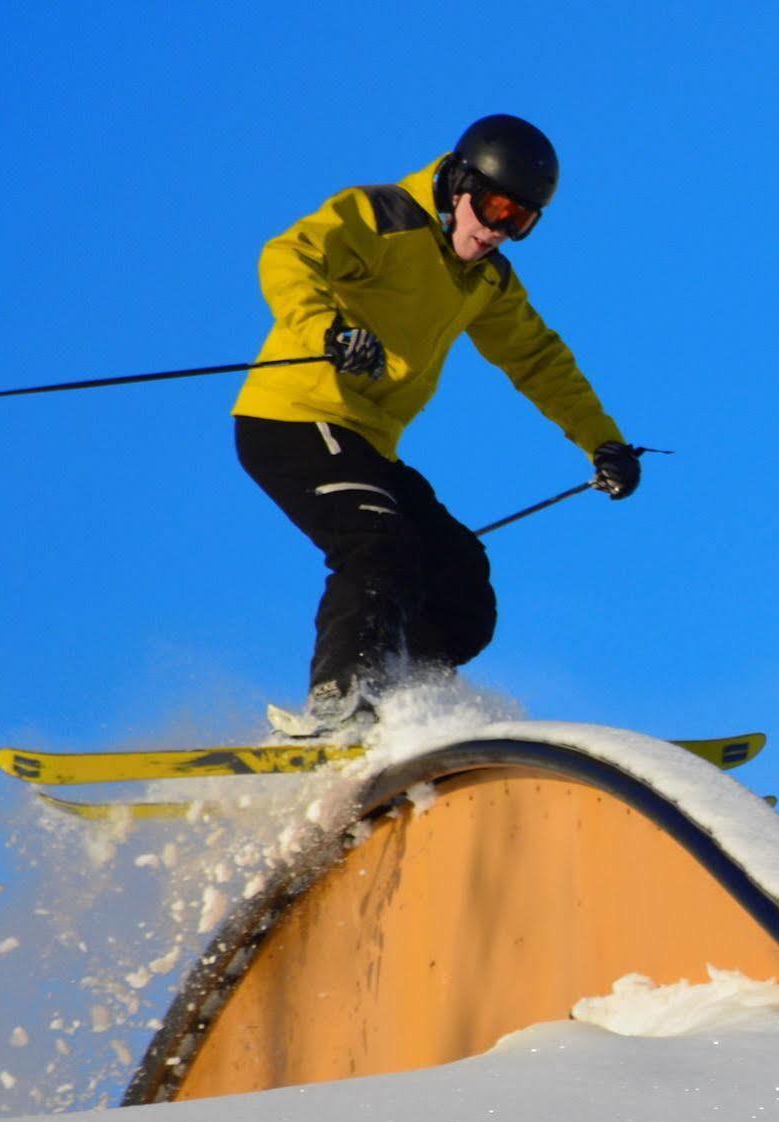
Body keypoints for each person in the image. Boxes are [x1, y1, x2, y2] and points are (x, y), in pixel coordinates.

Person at [232, 114, 642, 738]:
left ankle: (403, 704)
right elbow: (289, 254)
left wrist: (601, 438)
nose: (497, 231)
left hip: (367, 443)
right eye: (495, 207)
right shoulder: (381, 216)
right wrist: (328, 332)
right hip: (294, 418)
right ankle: (341, 704)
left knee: (460, 584)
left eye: (520, 221)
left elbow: (537, 359)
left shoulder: (487, 280)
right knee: (378, 546)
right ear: (457, 185)